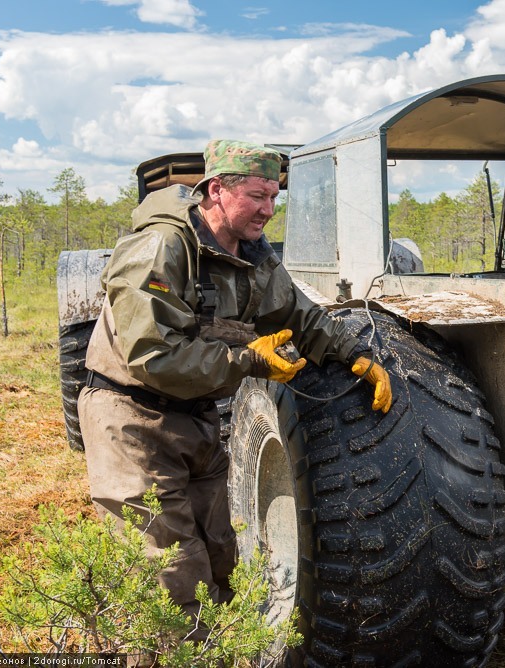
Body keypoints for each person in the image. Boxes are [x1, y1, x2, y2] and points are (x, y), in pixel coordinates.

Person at [77, 139, 392, 628]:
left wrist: (356, 355)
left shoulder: (252, 254)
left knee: (224, 558)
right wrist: (248, 359)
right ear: (217, 190)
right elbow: (151, 356)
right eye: (256, 196)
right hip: (132, 420)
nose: (268, 209)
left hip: (197, 420)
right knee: (169, 578)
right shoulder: (163, 247)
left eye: (274, 197)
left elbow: (298, 314)